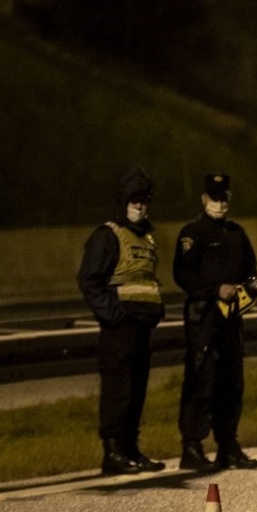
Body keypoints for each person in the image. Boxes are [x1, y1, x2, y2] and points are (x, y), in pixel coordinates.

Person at [77, 166, 167, 475]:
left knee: (137, 389)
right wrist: (113, 315)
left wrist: (155, 310)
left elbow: (146, 280)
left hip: (141, 327)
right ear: (122, 201)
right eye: (133, 200)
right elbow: (89, 280)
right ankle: (112, 452)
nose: (139, 206)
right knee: (119, 390)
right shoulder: (107, 235)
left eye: (144, 200)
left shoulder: (146, 238)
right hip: (119, 328)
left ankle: (131, 449)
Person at [175, 172, 257, 471]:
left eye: (225, 197)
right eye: (215, 198)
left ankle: (229, 446)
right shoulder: (193, 233)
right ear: (204, 199)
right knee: (202, 379)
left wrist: (252, 288)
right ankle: (192, 447)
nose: (221, 203)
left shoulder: (237, 233)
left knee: (232, 382)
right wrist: (216, 290)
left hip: (231, 318)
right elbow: (183, 275)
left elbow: (251, 270)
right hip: (204, 317)